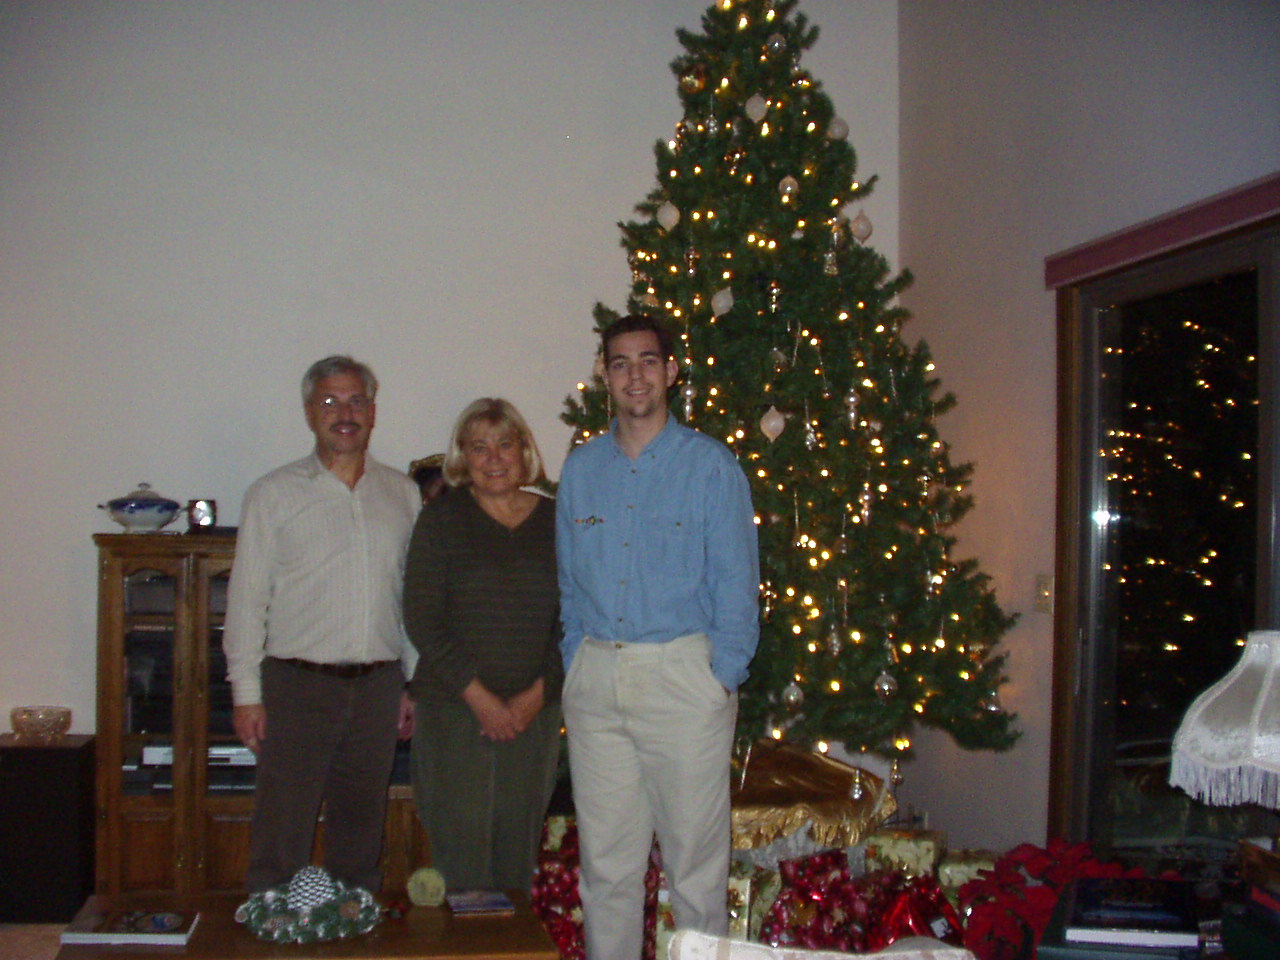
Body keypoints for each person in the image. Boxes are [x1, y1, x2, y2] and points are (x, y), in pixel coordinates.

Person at [556, 315, 760, 960]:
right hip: (597, 680)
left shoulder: (709, 466)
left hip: (683, 680)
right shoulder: (581, 470)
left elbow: (737, 582)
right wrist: (575, 662)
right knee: (606, 871)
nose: (635, 375)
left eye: (648, 360)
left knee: (695, 872)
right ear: (604, 374)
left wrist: (718, 677)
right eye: (620, 363)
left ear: (671, 371)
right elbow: (568, 585)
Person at [224, 354, 421, 894]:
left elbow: (408, 594)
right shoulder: (273, 494)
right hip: (296, 686)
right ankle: (271, 926)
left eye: (356, 401)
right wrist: (246, 696)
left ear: (372, 412)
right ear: (310, 412)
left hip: (378, 687)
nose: (345, 413)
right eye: (330, 402)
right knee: (281, 834)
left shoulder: (402, 494)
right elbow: (246, 602)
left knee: (360, 835)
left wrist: (411, 682)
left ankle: (353, 925)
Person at [403, 398, 562, 894]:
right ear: (462, 457)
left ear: (524, 452)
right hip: (454, 712)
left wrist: (538, 694)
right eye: (479, 447)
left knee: (517, 859)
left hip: (533, 716)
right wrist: (481, 699)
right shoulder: (441, 520)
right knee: (461, 859)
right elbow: (422, 618)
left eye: (505, 444)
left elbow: (576, 619)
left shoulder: (557, 520)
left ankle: (508, 937)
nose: (494, 458)